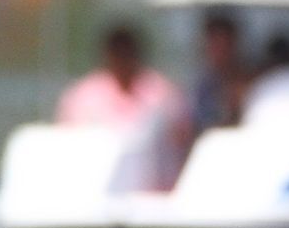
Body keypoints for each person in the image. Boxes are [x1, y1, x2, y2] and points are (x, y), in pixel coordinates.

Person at [55, 23, 189, 190]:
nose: (122, 59)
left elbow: (182, 142)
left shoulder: (162, 93)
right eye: (117, 53)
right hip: (96, 192)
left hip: (156, 194)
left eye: (127, 53)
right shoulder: (83, 96)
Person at [188, 9, 250, 133]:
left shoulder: (249, 84)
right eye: (214, 44)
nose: (219, 52)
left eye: (223, 45)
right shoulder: (203, 86)